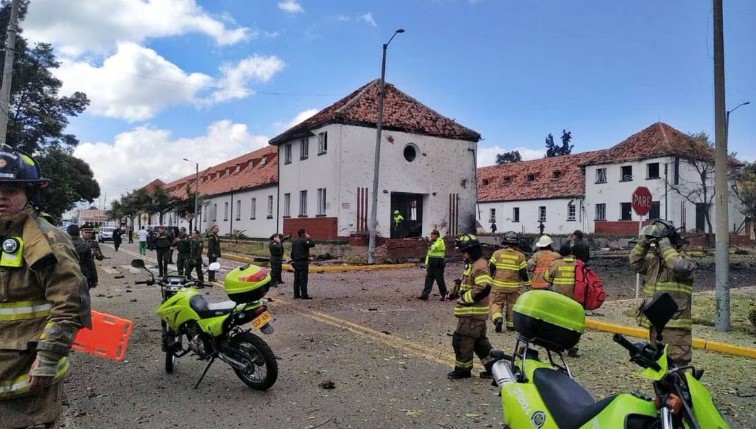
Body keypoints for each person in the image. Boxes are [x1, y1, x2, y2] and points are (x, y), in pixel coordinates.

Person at [0, 145, 91, 428]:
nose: (1, 197)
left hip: (26, 375)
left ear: (29, 193)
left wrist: (49, 357)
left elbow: (69, 303)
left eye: (11, 190)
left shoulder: (46, 239)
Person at [629, 219, 695, 366]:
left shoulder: (686, 262)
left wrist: (665, 245)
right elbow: (634, 263)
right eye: (657, 245)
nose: (657, 249)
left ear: (674, 245)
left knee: (676, 370)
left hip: (676, 330)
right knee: (658, 368)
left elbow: (679, 267)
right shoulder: (654, 263)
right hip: (656, 326)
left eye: (659, 245)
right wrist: (643, 243)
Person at [446, 234, 495, 379]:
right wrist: (456, 291)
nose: (462, 255)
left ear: (471, 251)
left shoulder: (479, 265)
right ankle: (494, 368)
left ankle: (463, 369)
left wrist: (464, 299)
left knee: (462, 340)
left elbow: (484, 287)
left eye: (464, 252)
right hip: (472, 315)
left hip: (472, 314)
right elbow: (470, 285)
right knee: (480, 343)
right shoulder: (472, 265)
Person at [544, 243, 581, 357]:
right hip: (574, 299)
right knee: (574, 323)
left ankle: (557, 344)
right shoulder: (578, 264)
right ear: (571, 253)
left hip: (558, 298)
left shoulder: (555, 264)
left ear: (561, 253)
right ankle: (572, 347)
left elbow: (547, 277)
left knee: (558, 321)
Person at [489, 231, 530, 332]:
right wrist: (528, 284)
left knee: (496, 303)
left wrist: (487, 281)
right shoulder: (520, 256)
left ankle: (498, 318)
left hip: (498, 286)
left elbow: (491, 269)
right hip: (514, 287)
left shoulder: (497, 254)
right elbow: (523, 273)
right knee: (512, 305)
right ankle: (511, 325)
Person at [418, 230, 448, 301]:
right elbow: (430, 253)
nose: (431, 236)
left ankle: (445, 295)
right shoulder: (434, 241)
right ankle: (424, 295)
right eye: (431, 235)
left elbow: (433, 247)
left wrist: (429, 242)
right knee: (428, 280)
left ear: (437, 235)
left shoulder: (440, 241)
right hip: (432, 264)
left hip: (438, 264)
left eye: (433, 235)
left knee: (440, 281)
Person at [67, 224, 99, 289]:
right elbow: (90, 264)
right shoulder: (85, 246)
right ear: (79, 233)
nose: (88, 234)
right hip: (82, 274)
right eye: (86, 232)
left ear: (67, 233)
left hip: (66, 275)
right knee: (83, 297)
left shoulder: (62, 244)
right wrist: (94, 279)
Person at [290, 228, 315, 299]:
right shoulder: (304, 240)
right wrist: (309, 238)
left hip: (296, 262)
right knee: (303, 279)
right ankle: (304, 295)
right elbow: (312, 244)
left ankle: (296, 294)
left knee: (296, 279)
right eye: (306, 233)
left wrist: (293, 259)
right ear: (303, 234)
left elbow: (292, 253)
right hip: (303, 262)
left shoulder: (294, 241)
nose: (307, 234)